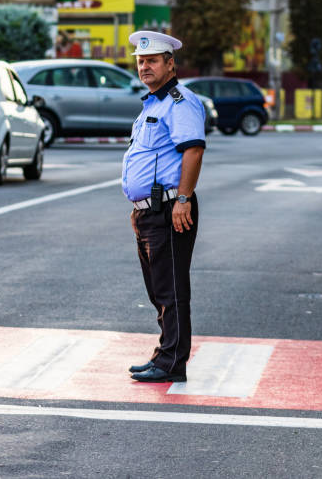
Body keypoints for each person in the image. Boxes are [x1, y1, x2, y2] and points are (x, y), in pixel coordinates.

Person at [122, 30, 206, 383]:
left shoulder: (179, 102)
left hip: (171, 208)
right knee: (158, 288)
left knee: (171, 288)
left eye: (152, 61)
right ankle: (164, 353)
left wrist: (183, 199)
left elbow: (193, 150)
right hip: (150, 211)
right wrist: (137, 206)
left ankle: (173, 362)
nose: (145, 67)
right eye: (141, 61)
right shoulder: (152, 105)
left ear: (170, 64)